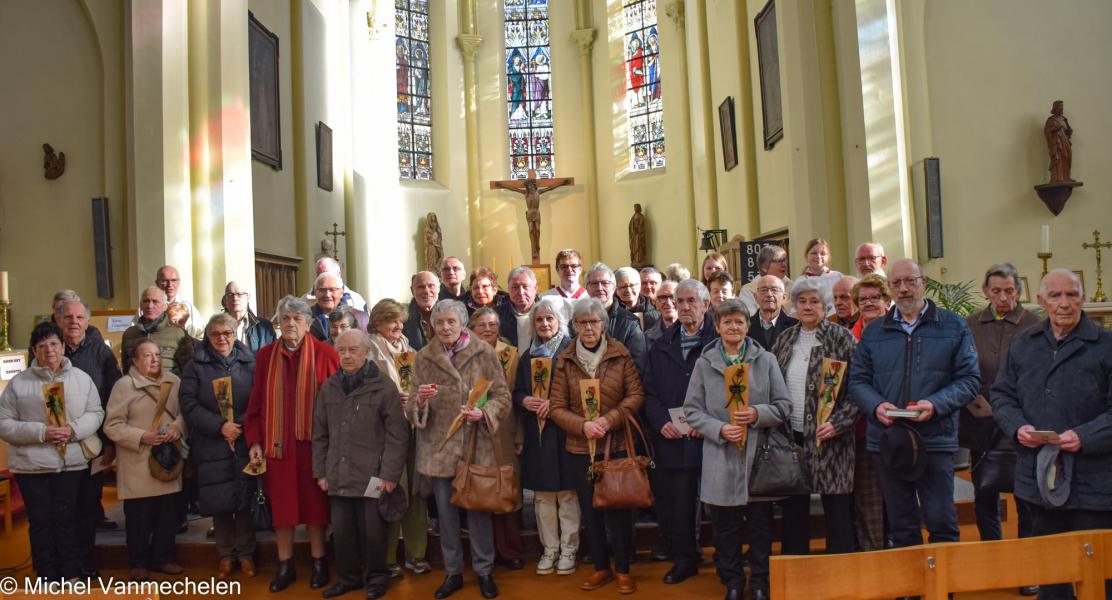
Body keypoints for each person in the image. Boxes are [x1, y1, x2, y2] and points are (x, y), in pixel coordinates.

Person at [991, 269, 1112, 600]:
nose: (1064, 303)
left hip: (1096, 484)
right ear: (1041, 301)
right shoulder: (1024, 344)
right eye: (1055, 296)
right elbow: (1001, 396)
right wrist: (1018, 426)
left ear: (1082, 299)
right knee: (1051, 575)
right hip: (1040, 480)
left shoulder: (1106, 345)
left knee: (1100, 576)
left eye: (1072, 294)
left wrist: (1084, 436)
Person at [848, 259, 980, 549]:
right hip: (889, 439)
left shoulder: (952, 325)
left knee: (941, 521)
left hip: (934, 437)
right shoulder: (874, 332)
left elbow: (969, 380)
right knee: (901, 524)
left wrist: (934, 404)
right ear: (890, 289)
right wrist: (876, 406)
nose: (904, 289)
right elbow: (857, 381)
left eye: (910, 281)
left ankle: (943, 590)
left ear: (923, 282)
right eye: (896, 283)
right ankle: (910, 590)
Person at [683, 299, 790, 600]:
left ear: (747, 326)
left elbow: (783, 406)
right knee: (724, 528)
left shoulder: (765, 360)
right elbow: (692, 411)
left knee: (760, 527)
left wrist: (757, 414)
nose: (733, 327)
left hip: (759, 458)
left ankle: (759, 583)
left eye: (739, 321)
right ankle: (731, 582)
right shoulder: (704, 364)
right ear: (717, 327)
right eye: (727, 322)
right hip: (720, 456)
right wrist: (718, 429)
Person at [408, 300, 511, 600]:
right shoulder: (424, 357)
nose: (445, 328)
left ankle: (484, 571)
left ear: (463, 323)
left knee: (478, 512)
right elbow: (413, 403)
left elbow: (502, 396)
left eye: (451, 322)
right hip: (439, 450)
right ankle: (452, 572)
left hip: (474, 446)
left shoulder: (483, 352)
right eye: (439, 323)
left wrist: (485, 413)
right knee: (446, 516)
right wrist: (421, 402)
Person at [548, 298, 645, 595]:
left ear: (603, 324)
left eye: (593, 322)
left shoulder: (621, 354)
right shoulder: (564, 360)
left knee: (618, 509)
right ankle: (601, 567)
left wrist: (610, 419)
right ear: (574, 326)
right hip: (580, 447)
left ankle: (624, 570)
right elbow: (556, 406)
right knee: (591, 511)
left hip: (614, 444)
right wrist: (583, 426)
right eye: (582, 323)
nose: (588, 328)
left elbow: (636, 395)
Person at [245, 296, 341, 592]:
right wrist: (255, 442)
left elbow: (337, 405)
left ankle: (319, 562)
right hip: (278, 448)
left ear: (309, 324)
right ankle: (284, 566)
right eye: (285, 318)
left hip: (314, 446)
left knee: (315, 509)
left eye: (297, 319)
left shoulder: (326, 354)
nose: (290, 324)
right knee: (282, 511)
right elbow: (256, 404)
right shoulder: (264, 356)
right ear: (278, 323)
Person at [0, 321, 104, 582]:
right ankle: (46, 575)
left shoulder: (81, 378)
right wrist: (41, 432)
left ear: (63, 346)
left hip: (71, 463)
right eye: (42, 345)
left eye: (54, 343)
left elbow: (96, 412)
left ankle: (70, 574)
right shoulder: (18, 384)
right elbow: (4, 423)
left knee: (67, 519)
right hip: (32, 465)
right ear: (34, 351)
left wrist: (73, 430)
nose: (50, 350)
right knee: (41, 522)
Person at [313, 330, 410, 600]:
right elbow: (319, 434)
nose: (346, 355)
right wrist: (320, 472)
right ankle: (349, 578)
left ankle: (378, 578)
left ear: (367, 352)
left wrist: (390, 474)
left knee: (374, 532)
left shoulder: (383, 386)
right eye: (341, 350)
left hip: (374, 475)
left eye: (353, 350)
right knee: (342, 532)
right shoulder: (329, 387)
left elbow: (397, 434)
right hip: (338, 473)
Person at [964, 263, 1041, 597]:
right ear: (985, 291)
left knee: (1026, 499)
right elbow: (961, 367)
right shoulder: (969, 325)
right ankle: (993, 562)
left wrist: (1012, 411)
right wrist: (974, 399)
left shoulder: (1034, 325)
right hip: (979, 420)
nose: (1002, 297)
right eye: (996, 291)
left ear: (1018, 292)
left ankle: (1026, 568)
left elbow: (1040, 374)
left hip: (1022, 422)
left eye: (1009, 291)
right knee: (985, 494)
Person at [770, 278, 859, 555]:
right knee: (794, 509)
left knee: (837, 509)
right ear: (794, 305)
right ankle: (796, 571)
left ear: (825, 305)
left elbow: (858, 390)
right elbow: (773, 384)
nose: (808, 307)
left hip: (831, 437)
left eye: (814, 301)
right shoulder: (785, 338)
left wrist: (838, 424)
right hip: (792, 438)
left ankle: (840, 570)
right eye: (802, 301)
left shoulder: (841, 338)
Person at [642, 279, 718, 585]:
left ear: (706, 305)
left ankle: (729, 562)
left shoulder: (721, 339)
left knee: (722, 503)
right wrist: (662, 422)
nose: (684, 307)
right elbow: (649, 393)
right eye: (680, 301)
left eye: (691, 301)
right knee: (680, 503)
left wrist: (709, 422)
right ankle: (685, 558)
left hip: (713, 436)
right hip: (674, 436)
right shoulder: (661, 346)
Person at [179, 314, 258, 579]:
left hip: (244, 438)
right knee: (220, 499)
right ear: (208, 337)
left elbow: (260, 400)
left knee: (245, 497)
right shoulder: (195, 366)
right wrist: (219, 426)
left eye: (227, 333)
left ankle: (246, 554)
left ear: (235, 335)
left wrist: (241, 425)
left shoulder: (250, 362)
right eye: (216, 334)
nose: (222, 338)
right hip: (212, 441)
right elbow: (188, 404)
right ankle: (226, 554)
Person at [104, 339, 186, 581]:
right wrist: (142, 437)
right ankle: (138, 563)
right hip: (137, 461)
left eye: (157, 355)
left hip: (167, 459)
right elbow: (112, 425)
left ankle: (164, 558)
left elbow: (184, 412)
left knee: (168, 514)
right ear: (135, 360)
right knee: (140, 516)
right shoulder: (124, 386)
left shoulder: (174, 382)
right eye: (147, 355)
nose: (154, 360)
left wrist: (177, 428)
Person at [512, 296, 580, 576]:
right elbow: (516, 391)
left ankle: (569, 548)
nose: (544, 324)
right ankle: (548, 548)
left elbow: (582, 389)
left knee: (566, 495)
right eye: (539, 319)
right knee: (542, 497)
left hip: (563, 432)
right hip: (537, 434)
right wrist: (525, 400)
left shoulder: (571, 351)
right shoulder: (528, 356)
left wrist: (557, 404)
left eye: (549, 319)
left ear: (560, 321)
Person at [365, 299, 431, 578]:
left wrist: (418, 395)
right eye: (392, 320)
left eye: (401, 321)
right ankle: (387, 557)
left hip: (413, 429)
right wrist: (392, 398)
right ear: (377, 322)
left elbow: (421, 382)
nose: (398, 326)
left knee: (415, 494)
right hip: (382, 435)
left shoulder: (409, 348)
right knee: (386, 493)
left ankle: (416, 554)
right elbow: (364, 393)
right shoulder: (368, 350)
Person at [57, 299, 121, 571]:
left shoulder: (101, 353)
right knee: (62, 509)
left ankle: (83, 561)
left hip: (93, 443)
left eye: (79, 317)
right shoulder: (50, 351)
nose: (74, 322)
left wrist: (109, 444)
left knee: (86, 507)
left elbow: (113, 398)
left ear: (87, 321)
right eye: (68, 317)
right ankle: (63, 563)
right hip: (57, 444)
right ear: (58, 319)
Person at [468, 308, 526, 572]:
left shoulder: (509, 354)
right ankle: (485, 552)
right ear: (472, 327)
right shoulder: (462, 354)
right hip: (472, 432)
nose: (488, 329)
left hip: (504, 429)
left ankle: (510, 549)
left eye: (493, 324)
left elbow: (517, 396)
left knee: (506, 489)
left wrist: (519, 434)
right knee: (480, 490)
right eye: (482, 325)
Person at [848, 274, 893, 551]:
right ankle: (873, 552)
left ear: (887, 300)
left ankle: (898, 548)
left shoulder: (900, 332)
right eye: (862, 299)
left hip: (897, 427)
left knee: (897, 494)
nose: (868, 303)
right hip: (862, 428)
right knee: (868, 498)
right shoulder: (849, 336)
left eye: (875, 298)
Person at [584, 263, 646, 368]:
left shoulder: (630, 322)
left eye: (605, 283)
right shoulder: (576, 321)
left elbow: (638, 364)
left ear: (613, 288)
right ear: (587, 288)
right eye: (594, 283)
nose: (599, 288)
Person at [121, 286, 194, 373]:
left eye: (155, 302)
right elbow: (126, 367)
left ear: (165, 306)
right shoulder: (130, 334)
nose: (150, 306)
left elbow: (189, 369)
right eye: (146, 301)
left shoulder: (178, 334)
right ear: (140, 305)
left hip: (169, 384)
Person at [144, 265, 204, 337]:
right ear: (157, 283)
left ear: (179, 282)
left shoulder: (189, 308)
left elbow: (200, 335)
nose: (170, 285)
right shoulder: (146, 308)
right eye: (164, 281)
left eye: (174, 280)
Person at [310, 273, 369, 343]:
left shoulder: (359, 316)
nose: (327, 295)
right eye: (322, 290)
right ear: (315, 293)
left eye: (332, 289)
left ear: (341, 293)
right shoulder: (305, 316)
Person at [221, 281, 276, 354]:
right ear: (225, 300)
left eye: (240, 294)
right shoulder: (214, 327)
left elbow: (273, 356)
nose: (235, 298)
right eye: (230, 295)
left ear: (248, 297)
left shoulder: (265, 327)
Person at [738, 245, 792, 318]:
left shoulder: (794, 287)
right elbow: (750, 318)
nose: (784, 265)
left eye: (785, 260)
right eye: (779, 261)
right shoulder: (749, 290)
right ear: (764, 267)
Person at [748, 275, 798, 352]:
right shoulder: (745, 326)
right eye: (764, 290)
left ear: (784, 298)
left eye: (774, 290)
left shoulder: (796, 327)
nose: (769, 294)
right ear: (755, 297)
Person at [302, 256, 369, 312]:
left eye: (329, 275)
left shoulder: (357, 300)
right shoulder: (304, 301)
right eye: (321, 275)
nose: (327, 294)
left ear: (339, 274)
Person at [497, 266, 538, 352]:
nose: (521, 292)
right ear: (508, 289)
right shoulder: (497, 314)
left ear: (535, 288)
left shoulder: (547, 313)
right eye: (515, 287)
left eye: (525, 286)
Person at [403, 271, 441, 351]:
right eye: (421, 287)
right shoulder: (402, 318)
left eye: (431, 286)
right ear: (412, 291)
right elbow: (400, 355)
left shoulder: (452, 313)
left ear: (438, 288)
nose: (426, 291)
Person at [798, 239, 843, 303]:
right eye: (814, 253)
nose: (818, 257)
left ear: (828, 257)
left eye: (822, 253)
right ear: (806, 256)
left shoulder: (838, 277)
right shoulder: (801, 281)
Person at [615, 266, 659, 332]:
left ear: (639, 286)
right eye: (623, 287)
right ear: (616, 289)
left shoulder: (655, 309)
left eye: (632, 285)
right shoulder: (611, 311)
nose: (628, 290)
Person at [644, 280, 678, 348]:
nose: (668, 303)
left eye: (673, 297)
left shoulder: (695, 332)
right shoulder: (646, 337)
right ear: (655, 303)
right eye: (663, 298)